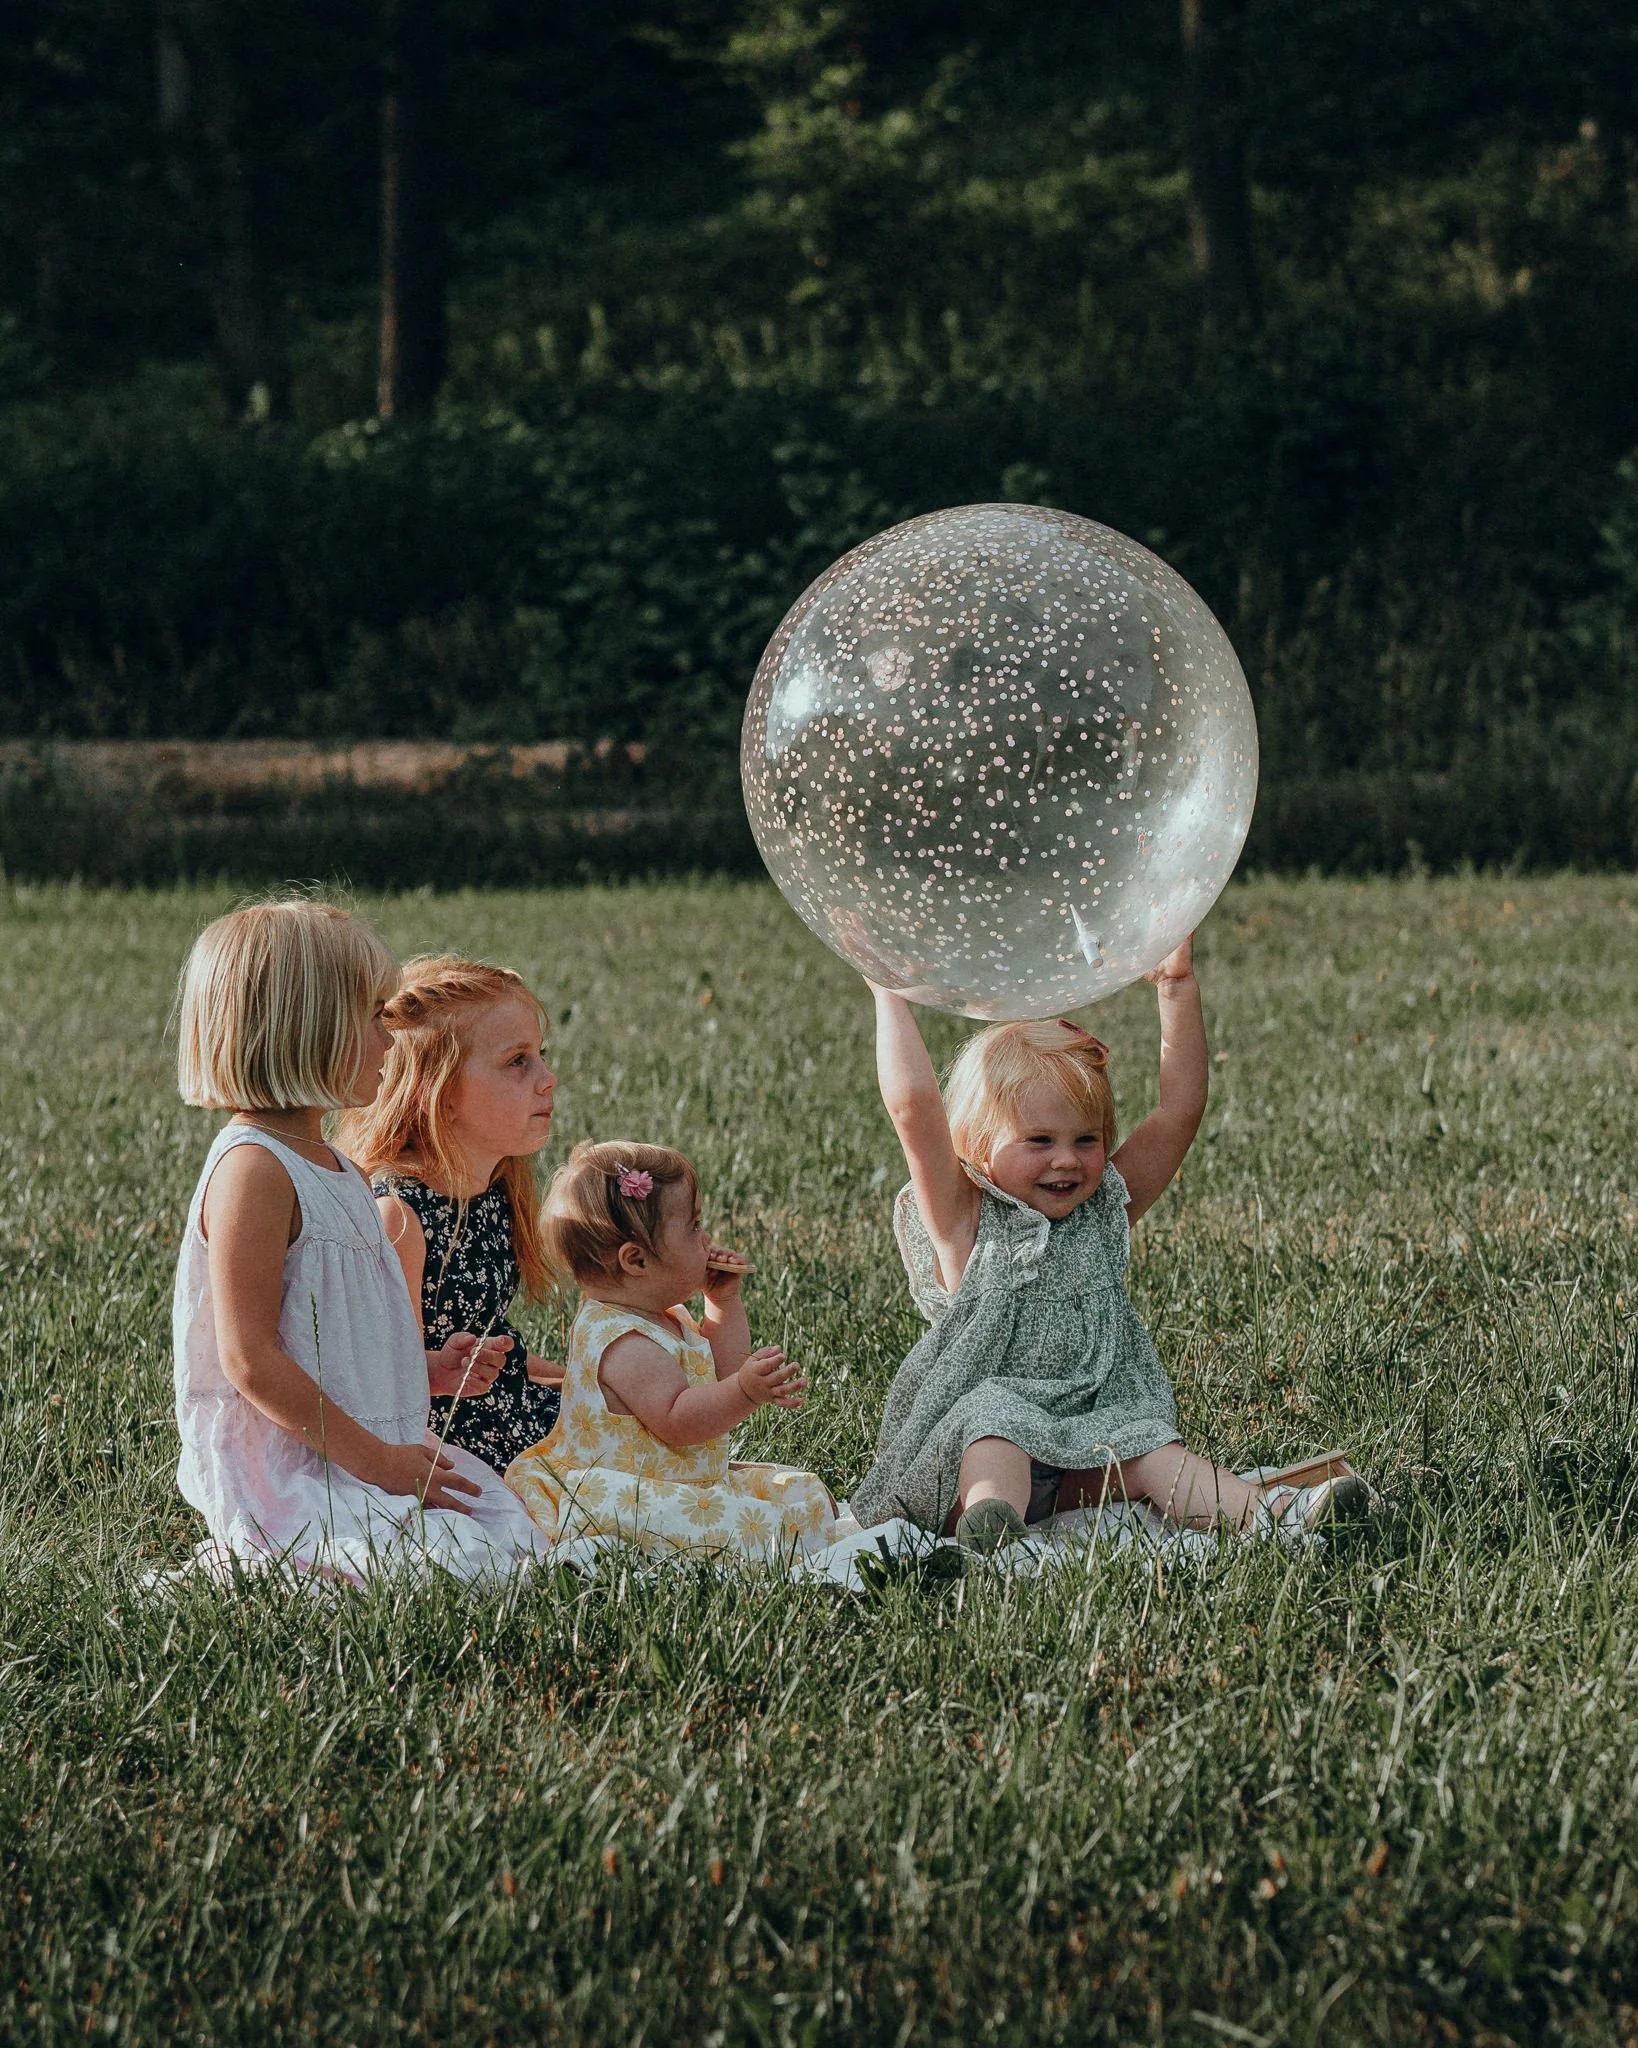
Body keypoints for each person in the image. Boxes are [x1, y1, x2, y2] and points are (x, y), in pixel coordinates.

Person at [850, 937, 1370, 1551]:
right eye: (1038, 1140)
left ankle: (1278, 1516)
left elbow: (1179, 1112)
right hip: (970, 1468)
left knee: (1151, 1448)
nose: (1066, 1160)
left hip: (1080, 1458)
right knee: (993, 1426)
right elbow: (915, 1109)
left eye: (1087, 1140)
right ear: (981, 1147)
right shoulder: (966, 1221)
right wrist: (887, 991)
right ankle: (992, 1537)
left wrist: (1176, 988)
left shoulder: (1103, 1211)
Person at [170, 899, 547, 1584]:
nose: (390, 1040)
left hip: (372, 1448)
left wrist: (423, 1368)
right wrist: (378, 1462)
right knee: (452, 1568)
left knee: (516, 1538)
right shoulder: (253, 1168)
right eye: (373, 1017)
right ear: (306, 1028)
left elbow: (332, 1335)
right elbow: (249, 1357)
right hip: (300, 1466)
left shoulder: (338, 1168)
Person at [505, 1141, 838, 1559]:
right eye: (694, 1226)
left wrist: (722, 1304)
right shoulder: (622, 1341)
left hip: (680, 1480)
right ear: (636, 1261)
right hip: (631, 1491)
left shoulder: (661, 1316)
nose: (707, 1238)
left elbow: (721, 1368)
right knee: (772, 1537)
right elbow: (680, 1420)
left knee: (805, 1493)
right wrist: (745, 1393)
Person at [338, 956, 564, 1476]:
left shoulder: (492, 1190)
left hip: (508, 1415)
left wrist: (582, 1381)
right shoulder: (400, 1217)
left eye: (541, 1056)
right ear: (437, 1093)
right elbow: (380, 1380)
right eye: (517, 1061)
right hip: (454, 1449)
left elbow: (497, 1354)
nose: (547, 1078)